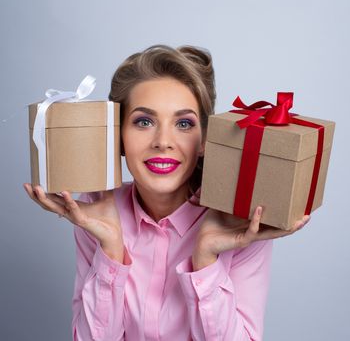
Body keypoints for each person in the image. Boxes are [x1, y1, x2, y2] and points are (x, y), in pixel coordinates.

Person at [23, 44, 310, 341]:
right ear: (116, 136)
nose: (163, 141)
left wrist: (206, 258)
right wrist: (110, 246)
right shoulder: (95, 209)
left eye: (184, 123)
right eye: (144, 122)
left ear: (204, 142)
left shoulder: (241, 223)